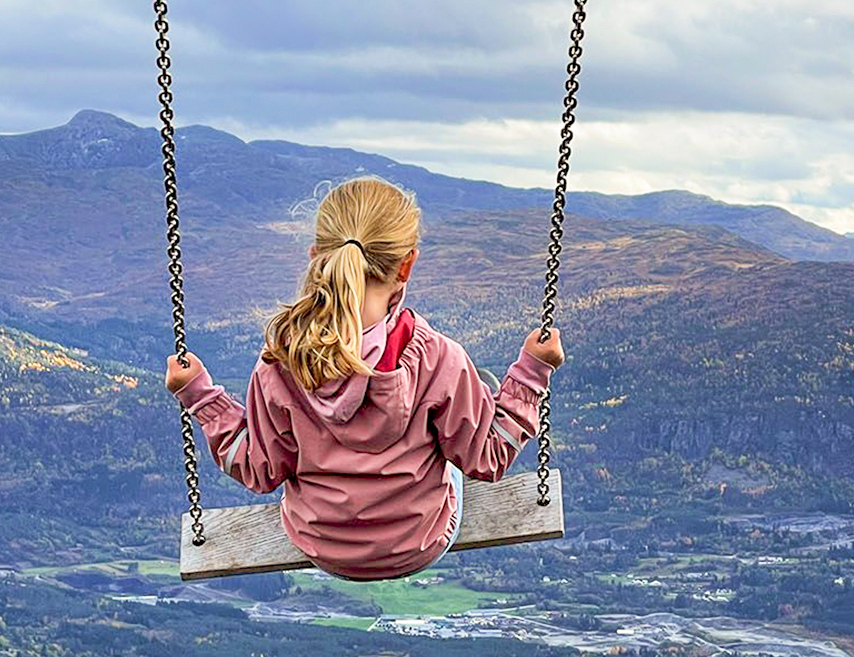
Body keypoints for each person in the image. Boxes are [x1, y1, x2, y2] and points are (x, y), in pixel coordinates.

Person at [165, 176, 564, 581]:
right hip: (419, 543)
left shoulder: (279, 364)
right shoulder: (439, 359)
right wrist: (532, 371)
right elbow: (487, 457)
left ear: (316, 257)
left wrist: (201, 397)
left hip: (321, 545)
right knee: (478, 386)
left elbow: (259, 469)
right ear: (407, 263)